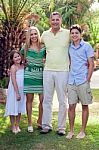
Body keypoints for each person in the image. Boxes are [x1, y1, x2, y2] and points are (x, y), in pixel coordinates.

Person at [40, 12, 70, 135]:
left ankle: (61, 127)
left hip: (63, 71)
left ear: (61, 20)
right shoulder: (45, 34)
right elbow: (37, 46)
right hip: (48, 70)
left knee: (62, 100)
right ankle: (46, 125)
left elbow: (77, 45)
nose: (55, 22)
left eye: (57, 19)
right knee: (47, 99)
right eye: (53, 20)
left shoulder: (68, 33)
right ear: (50, 21)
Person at [66, 24, 94, 139]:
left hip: (82, 80)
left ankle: (82, 131)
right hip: (71, 80)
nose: (74, 35)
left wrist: (87, 79)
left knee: (84, 105)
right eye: (72, 33)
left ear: (80, 34)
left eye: (76, 33)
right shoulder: (69, 47)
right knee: (71, 105)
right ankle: (71, 130)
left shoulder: (87, 46)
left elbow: (91, 64)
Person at [21, 26, 46, 132]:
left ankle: (40, 121)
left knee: (42, 100)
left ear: (38, 34)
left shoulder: (43, 47)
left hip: (41, 75)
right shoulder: (25, 48)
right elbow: (20, 60)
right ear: (29, 36)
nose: (34, 36)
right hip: (29, 75)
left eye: (35, 34)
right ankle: (30, 123)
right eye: (31, 34)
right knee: (29, 100)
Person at [4, 50, 26, 133]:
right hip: (14, 90)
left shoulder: (23, 66)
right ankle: (13, 126)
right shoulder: (13, 67)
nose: (17, 58)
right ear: (12, 59)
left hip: (22, 90)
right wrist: (17, 93)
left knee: (19, 108)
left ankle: (17, 125)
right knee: (13, 107)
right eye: (15, 57)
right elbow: (13, 81)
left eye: (18, 56)